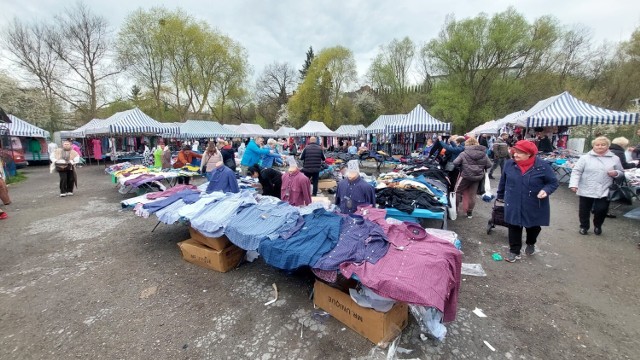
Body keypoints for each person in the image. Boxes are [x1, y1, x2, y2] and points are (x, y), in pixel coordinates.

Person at [497, 140, 559, 262]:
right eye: (515, 152)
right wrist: (500, 195)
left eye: (519, 153)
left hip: (534, 202)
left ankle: (531, 242)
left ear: (529, 154)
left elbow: (553, 182)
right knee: (513, 225)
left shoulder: (542, 166)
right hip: (513, 200)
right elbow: (503, 181)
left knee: (533, 226)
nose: (515, 155)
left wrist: (546, 190)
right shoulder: (509, 164)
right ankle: (514, 251)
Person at [568, 136, 624, 236]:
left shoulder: (615, 158)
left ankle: (598, 225)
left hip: (604, 188)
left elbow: (621, 172)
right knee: (584, 209)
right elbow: (577, 171)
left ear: (608, 146)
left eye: (603, 145)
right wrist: (574, 184)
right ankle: (584, 226)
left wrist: (616, 173)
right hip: (586, 186)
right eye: (597, 145)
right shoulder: (585, 158)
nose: (600, 147)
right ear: (593, 146)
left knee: (601, 209)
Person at [452, 137, 492, 218]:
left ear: (467, 144)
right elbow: (489, 165)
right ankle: (469, 213)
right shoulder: (484, 154)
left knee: (457, 192)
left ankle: (455, 211)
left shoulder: (464, 153)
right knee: (472, 195)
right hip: (477, 177)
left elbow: (455, 163)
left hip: (465, 176)